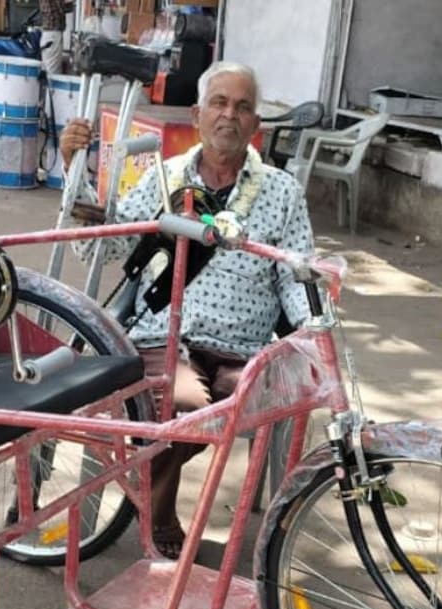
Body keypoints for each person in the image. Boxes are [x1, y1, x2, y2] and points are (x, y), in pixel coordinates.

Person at [58, 61, 316, 559]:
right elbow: (101, 247)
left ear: (255, 125)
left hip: (244, 349)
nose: (230, 116)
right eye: (219, 103)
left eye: (242, 107)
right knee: (184, 408)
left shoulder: (282, 191)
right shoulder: (165, 178)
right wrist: (76, 170)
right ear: (197, 115)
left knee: (232, 404)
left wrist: (310, 329)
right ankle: (159, 513)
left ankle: (149, 498)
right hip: (167, 338)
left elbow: (294, 271)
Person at [38, 0, 66, 75]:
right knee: (53, 73)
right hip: (53, 33)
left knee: (48, 69)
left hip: (48, 33)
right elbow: (61, 8)